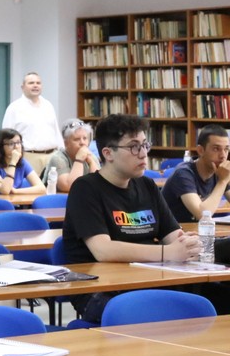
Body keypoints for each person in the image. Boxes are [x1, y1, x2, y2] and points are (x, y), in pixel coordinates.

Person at [64, 114, 200, 322]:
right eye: (134, 147)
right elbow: (103, 250)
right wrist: (167, 252)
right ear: (108, 153)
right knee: (152, 317)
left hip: (147, 281)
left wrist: (189, 246)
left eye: (145, 145)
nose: (143, 153)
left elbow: (174, 237)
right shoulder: (85, 189)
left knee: (213, 299)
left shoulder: (147, 185)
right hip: (99, 290)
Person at [162, 124, 230, 222]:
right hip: (174, 230)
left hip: (197, 230)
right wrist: (223, 181)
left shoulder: (219, 171)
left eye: (226, 149)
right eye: (216, 149)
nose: (223, 156)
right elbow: (202, 215)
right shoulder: (183, 173)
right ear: (200, 150)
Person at [1, 72, 63, 175]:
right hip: (28, 157)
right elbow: (6, 136)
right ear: (22, 87)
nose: (35, 85)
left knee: (53, 184)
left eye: (38, 83)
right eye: (31, 83)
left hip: (52, 156)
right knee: (30, 185)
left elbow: (56, 131)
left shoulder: (48, 105)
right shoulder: (14, 108)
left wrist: (62, 152)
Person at [0, 129, 46, 196]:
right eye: (11, 144)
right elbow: (5, 190)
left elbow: (42, 188)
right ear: (1, 147)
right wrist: (13, 162)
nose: (16, 147)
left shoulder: (22, 163)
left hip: (13, 202)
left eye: (18, 142)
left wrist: (16, 191)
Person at [46, 119, 101, 193]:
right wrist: (79, 160)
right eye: (77, 139)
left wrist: (91, 162)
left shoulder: (92, 157)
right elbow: (69, 186)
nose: (82, 142)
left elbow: (99, 186)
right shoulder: (58, 158)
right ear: (66, 143)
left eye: (85, 138)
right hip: (60, 199)